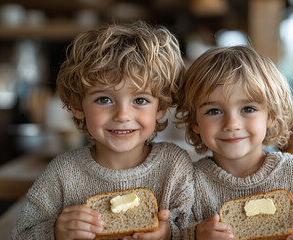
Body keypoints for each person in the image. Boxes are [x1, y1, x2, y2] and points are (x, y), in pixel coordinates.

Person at [12, 21, 194, 240]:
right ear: (77, 105)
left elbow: (195, 229)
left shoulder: (174, 166)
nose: (122, 115)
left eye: (140, 100)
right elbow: (21, 234)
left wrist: (168, 234)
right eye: (104, 99)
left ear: (162, 106)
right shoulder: (62, 173)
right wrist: (55, 231)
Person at [175, 46, 293, 240]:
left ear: (271, 116)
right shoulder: (188, 182)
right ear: (194, 122)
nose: (232, 124)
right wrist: (195, 234)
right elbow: (173, 231)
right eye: (214, 111)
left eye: (248, 109)